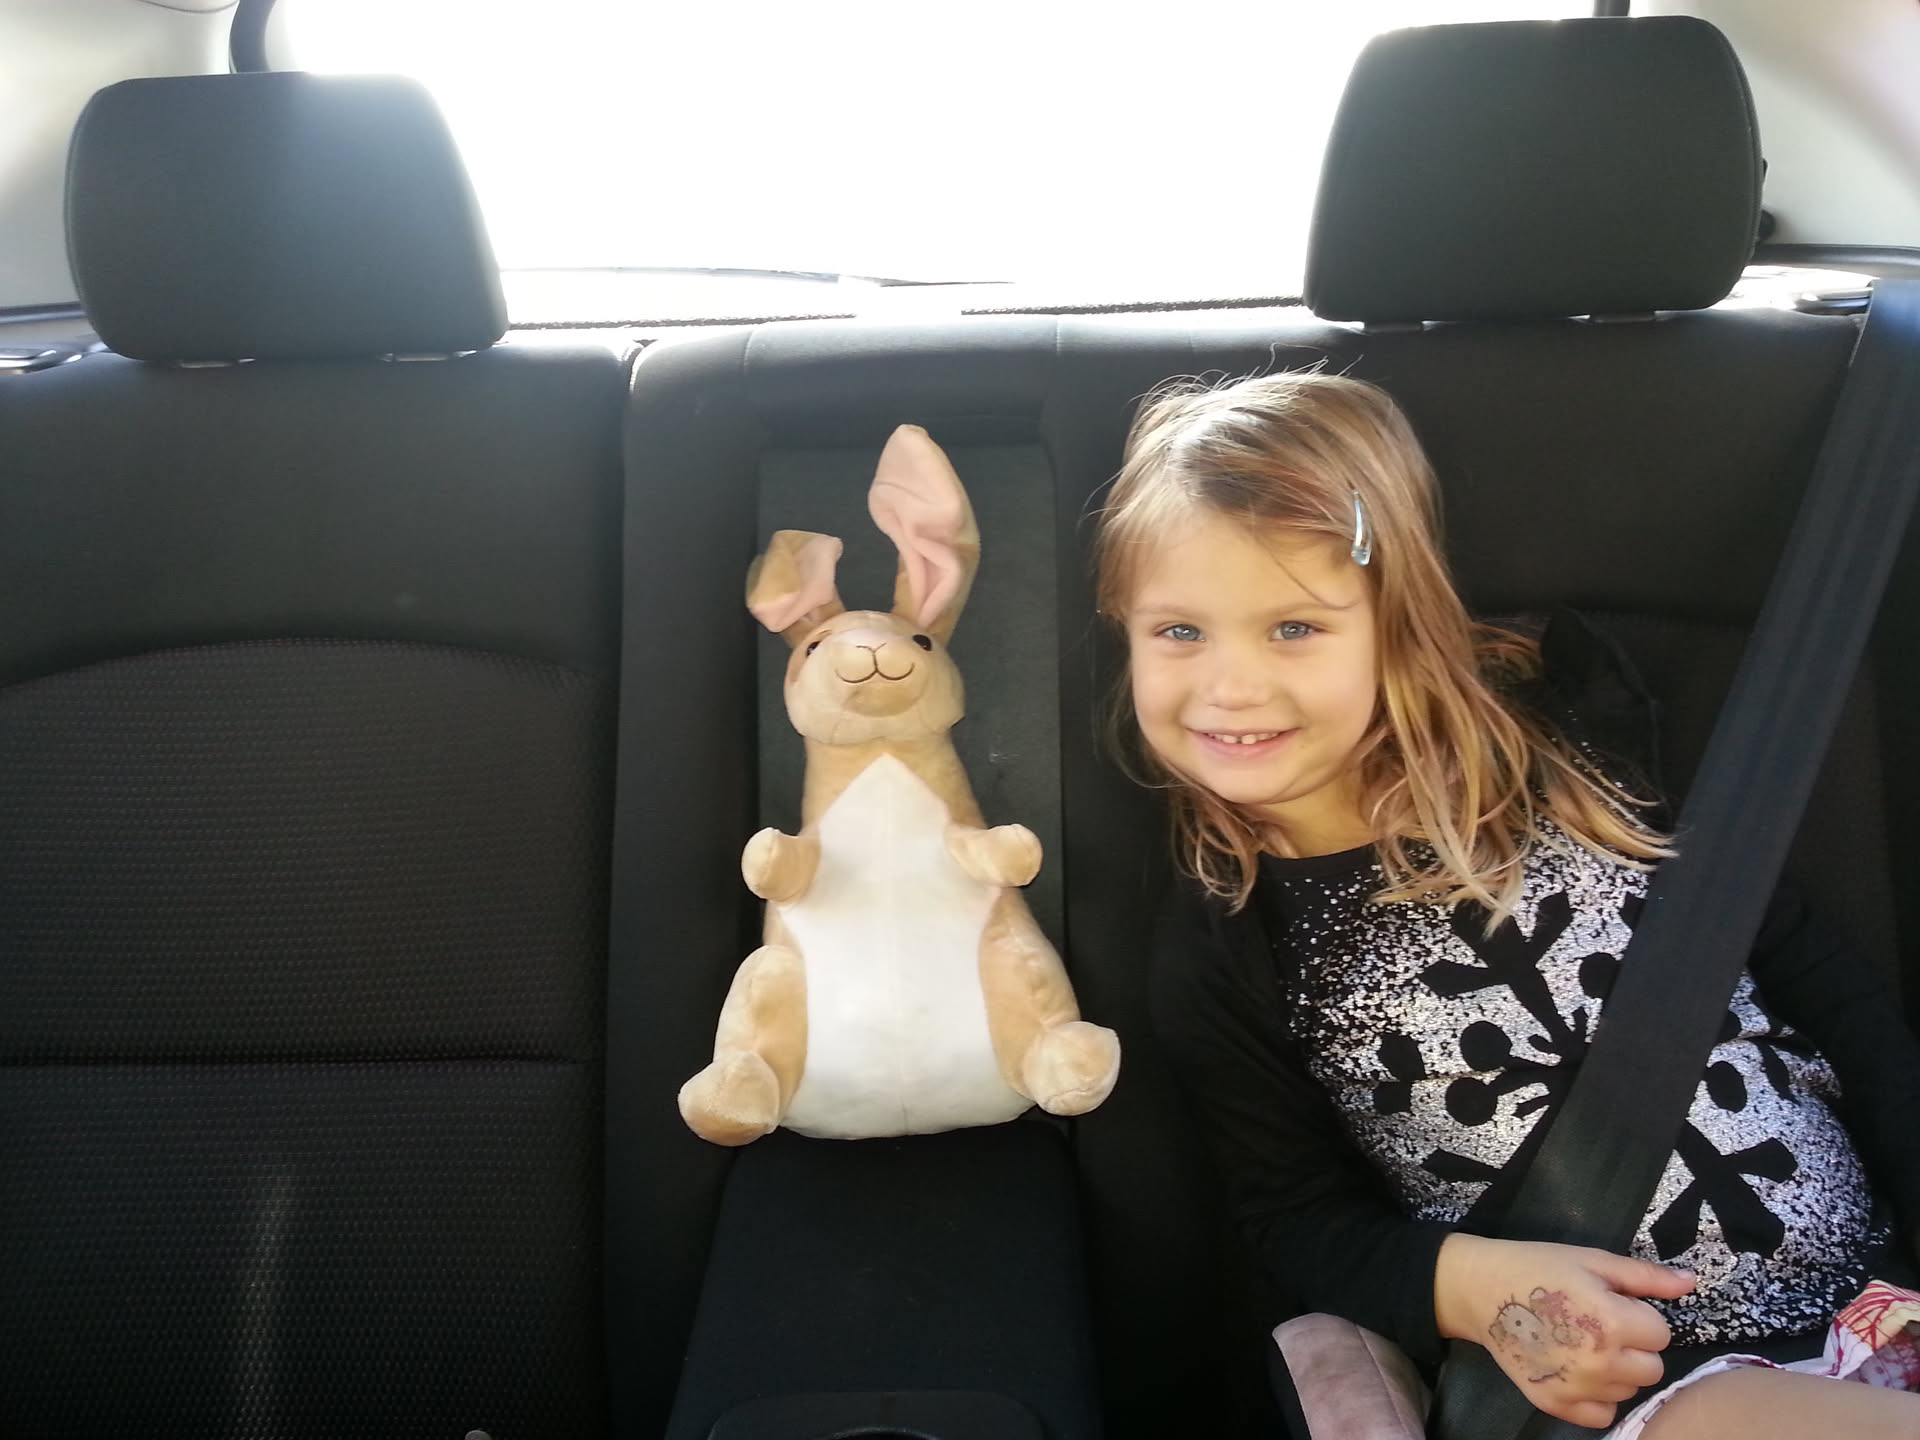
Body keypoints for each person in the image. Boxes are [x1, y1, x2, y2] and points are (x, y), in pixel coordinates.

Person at [1094, 370, 1920, 1437]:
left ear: (1396, 622)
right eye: (1178, 632)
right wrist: (1470, 1287)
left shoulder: (1561, 747)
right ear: (1124, 629)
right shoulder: (1230, 939)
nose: (1230, 686)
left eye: (1293, 628)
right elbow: (1296, 1216)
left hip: (1880, 1299)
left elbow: (1811, 969)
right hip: (1640, 1384)